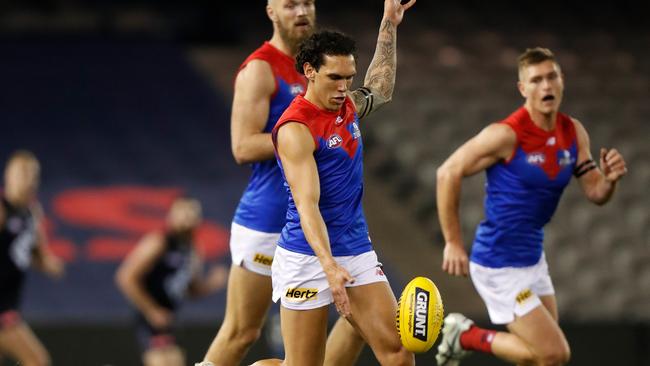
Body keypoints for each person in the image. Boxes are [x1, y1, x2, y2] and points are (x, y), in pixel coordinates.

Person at [434, 47, 628, 366]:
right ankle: (465, 335)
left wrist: (610, 179)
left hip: (532, 258)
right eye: (536, 80)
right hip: (499, 263)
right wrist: (453, 243)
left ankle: (465, 337)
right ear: (523, 89)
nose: (546, 86)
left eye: (552, 77)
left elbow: (595, 191)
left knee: (542, 360)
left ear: (562, 81)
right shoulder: (506, 134)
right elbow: (447, 172)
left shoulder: (572, 132)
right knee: (555, 354)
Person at [251, 1, 416, 365]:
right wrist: (328, 267)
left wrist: (388, 24)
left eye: (348, 78)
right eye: (334, 78)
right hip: (307, 258)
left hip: (354, 249)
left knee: (399, 354)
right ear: (309, 71)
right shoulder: (296, 129)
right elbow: (307, 205)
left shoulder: (346, 107)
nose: (344, 87)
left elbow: (381, 87)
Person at [200, 1, 365, 365]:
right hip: (269, 219)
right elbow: (242, 146)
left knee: (358, 317)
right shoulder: (260, 69)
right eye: (290, 4)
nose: (302, 11)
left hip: (322, 221)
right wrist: (301, 135)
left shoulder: (324, 67)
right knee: (243, 331)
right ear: (271, 11)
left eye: (307, 2)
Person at [116, 197, 227, 366]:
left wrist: (212, 283)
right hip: (151, 318)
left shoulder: (192, 249)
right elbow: (126, 277)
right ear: (171, 216)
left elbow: (191, 289)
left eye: (192, 213)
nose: (187, 217)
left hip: (170, 316)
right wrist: (151, 310)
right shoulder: (159, 242)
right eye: (182, 212)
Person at [0, 150, 64, 366]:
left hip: (9, 304)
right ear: (8, 176)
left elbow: (36, 253)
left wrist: (49, 264)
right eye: (21, 174)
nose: (27, 181)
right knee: (37, 361)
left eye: (32, 175)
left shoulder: (32, 212)